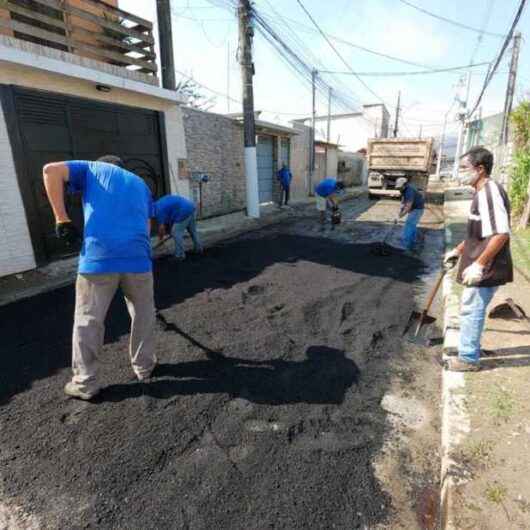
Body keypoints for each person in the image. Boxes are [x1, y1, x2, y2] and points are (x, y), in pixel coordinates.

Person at [42, 155, 157, 400]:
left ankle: (85, 383)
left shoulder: (92, 168)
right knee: (144, 312)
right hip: (138, 257)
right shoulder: (140, 183)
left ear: (105, 164)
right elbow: (147, 225)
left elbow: (50, 170)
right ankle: (144, 367)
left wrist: (62, 219)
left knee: (89, 320)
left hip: (100, 257)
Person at [443, 146, 513, 372]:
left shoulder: (490, 193)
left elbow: (501, 233)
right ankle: (467, 347)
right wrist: (458, 250)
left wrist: (479, 265)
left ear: (480, 169)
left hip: (488, 265)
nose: (460, 172)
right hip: (477, 259)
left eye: (464, 168)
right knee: (469, 306)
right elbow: (479, 233)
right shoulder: (480, 192)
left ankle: (468, 358)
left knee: (473, 308)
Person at [154, 194, 203, 261]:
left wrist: (160, 239)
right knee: (192, 231)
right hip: (191, 207)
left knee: (176, 233)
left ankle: (179, 255)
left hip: (184, 210)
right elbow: (171, 219)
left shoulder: (158, 211)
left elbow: (161, 228)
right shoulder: (159, 204)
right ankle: (199, 248)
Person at [395, 177, 425, 252]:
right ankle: (413, 241)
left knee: (409, 225)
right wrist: (399, 213)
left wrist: (401, 216)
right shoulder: (403, 189)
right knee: (412, 225)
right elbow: (403, 202)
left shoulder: (409, 191)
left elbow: (408, 206)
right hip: (415, 208)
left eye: (400, 187)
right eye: (398, 187)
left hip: (417, 209)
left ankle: (406, 245)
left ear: (405, 185)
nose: (399, 189)